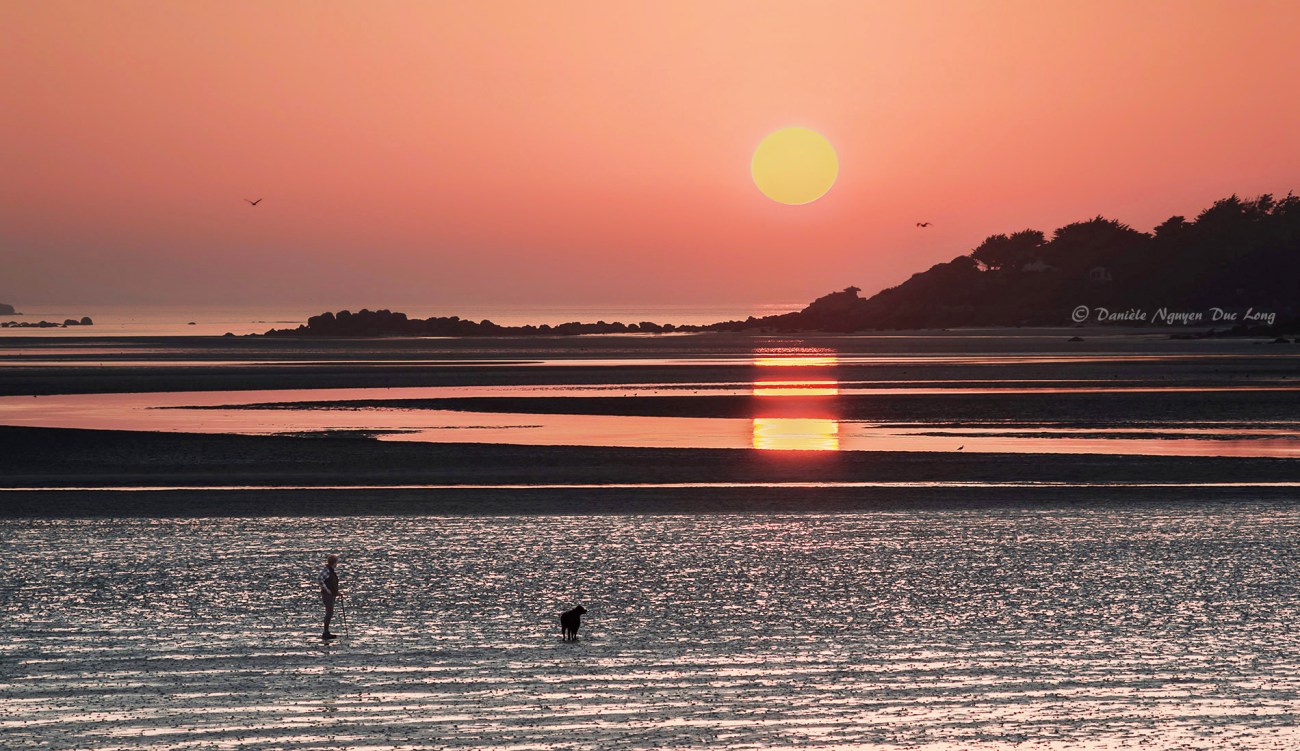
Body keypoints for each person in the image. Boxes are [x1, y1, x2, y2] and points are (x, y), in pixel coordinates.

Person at [319, 554, 341, 639]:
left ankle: (326, 632)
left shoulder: (330, 571)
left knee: (330, 613)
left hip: (331, 594)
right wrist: (327, 590)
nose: (337, 564)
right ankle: (325, 632)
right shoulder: (327, 571)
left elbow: (331, 583)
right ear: (334, 563)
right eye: (336, 562)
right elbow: (320, 579)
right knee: (329, 613)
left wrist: (336, 592)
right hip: (327, 595)